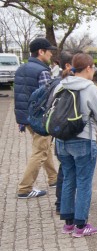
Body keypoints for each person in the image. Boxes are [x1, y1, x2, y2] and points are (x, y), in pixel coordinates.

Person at [56, 53, 97, 238]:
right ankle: (81, 225)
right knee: (84, 182)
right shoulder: (90, 88)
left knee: (69, 179)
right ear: (88, 68)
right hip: (83, 138)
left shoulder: (61, 84)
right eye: (93, 68)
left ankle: (68, 224)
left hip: (61, 139)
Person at [14, 37, 58, 199]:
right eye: (49, 51)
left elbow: (19, 96)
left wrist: (21, 119)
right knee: (40, 152)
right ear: (41, 52)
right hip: (40, 118)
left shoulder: (21, 69)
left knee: (45, 148)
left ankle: (54, 179)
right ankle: (25, 188)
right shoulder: (42, 71)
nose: (51, 55)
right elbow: (48, 97)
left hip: (26, 117)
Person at [53, 51, 74, 214]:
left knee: (65, 171)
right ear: (68, 65)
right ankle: (67, 208)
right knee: (70, 174)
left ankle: (62, 204)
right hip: (72, 135)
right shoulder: (74, 85)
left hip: (59, 135)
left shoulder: (56, 83)